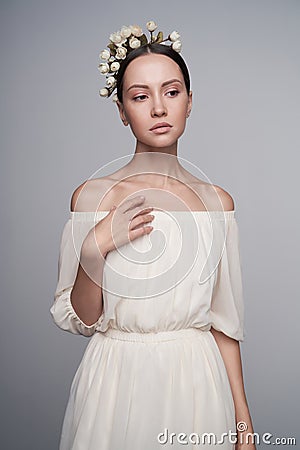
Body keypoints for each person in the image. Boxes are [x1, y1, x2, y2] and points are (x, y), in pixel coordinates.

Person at [50, 21, 256, 450]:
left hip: (195, 379)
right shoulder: (91, 197)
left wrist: (242, 419)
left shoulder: (218, 204)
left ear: (190, 101)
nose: (159, 108)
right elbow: (84, 318)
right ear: (122, 111)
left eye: (172, 91)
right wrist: (95, 247)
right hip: (114, 378)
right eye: (140, 97)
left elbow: (225, 323)